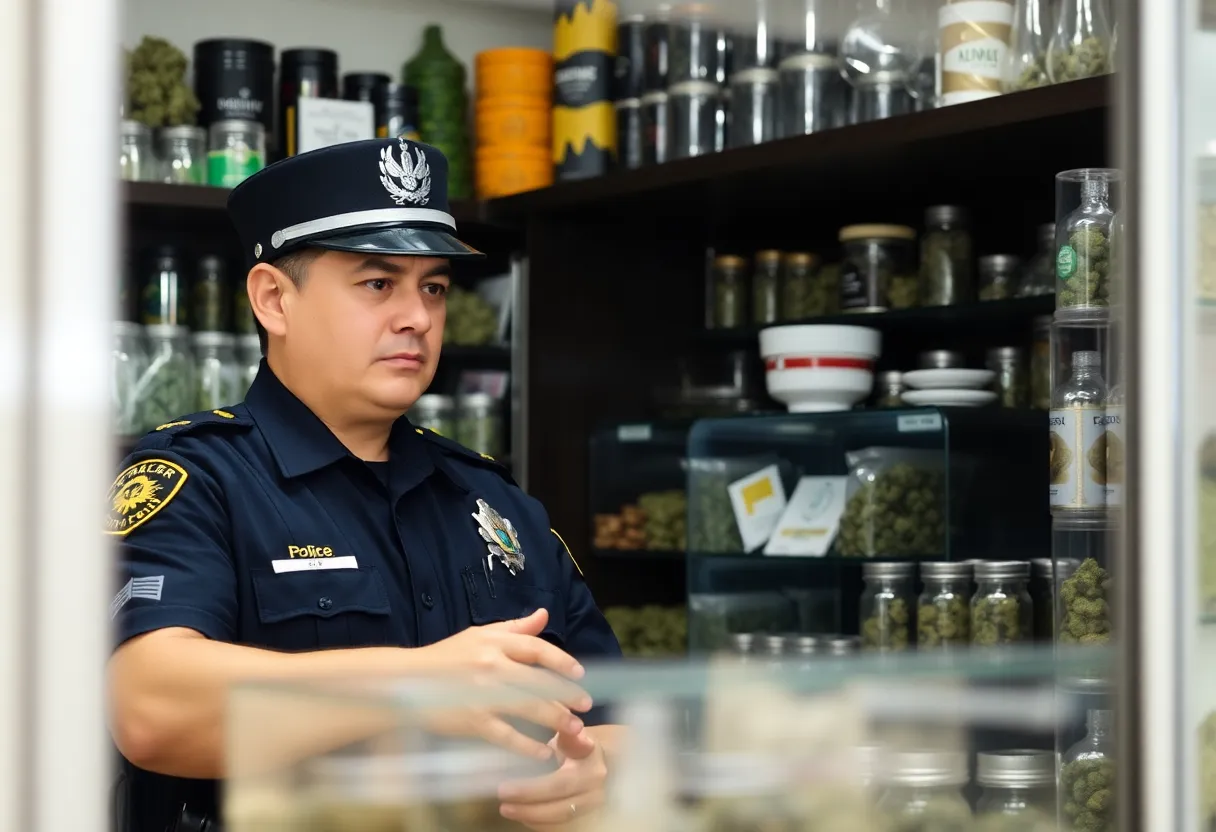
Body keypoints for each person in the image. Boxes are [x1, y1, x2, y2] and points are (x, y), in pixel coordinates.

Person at [106, 138, 622, 832]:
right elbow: (150, 708)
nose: (417, 317)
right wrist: (418, 685)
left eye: (432, 287)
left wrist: (595, 771)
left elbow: (619, 710)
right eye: (378, 284)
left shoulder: (495, 502)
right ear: (273, 299)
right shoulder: (196, 480)